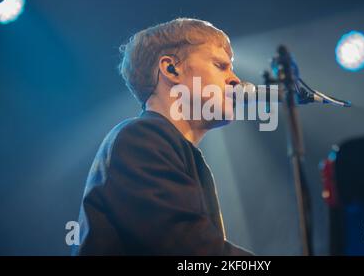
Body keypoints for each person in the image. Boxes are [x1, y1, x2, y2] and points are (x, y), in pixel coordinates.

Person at [73, 18, 253, 255]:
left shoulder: (172, 150)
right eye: (220, 65)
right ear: (171, 69)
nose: (235, 79)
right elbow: (192, 252)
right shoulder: (139, 140)